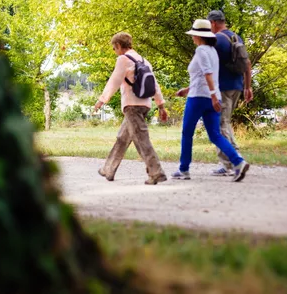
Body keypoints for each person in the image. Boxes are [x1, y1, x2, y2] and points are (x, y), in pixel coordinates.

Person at [171, 19, 249, 182]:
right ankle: (238, 162)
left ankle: (184, 169)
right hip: (209, 96)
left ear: (198, 36)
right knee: (215, 135)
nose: (192, 38)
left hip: (199, 98)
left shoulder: (200, 51)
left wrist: (213, 95)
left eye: (193, 35)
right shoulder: (212, 51)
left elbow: (207, 74)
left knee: (187, 133)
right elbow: (203, 75)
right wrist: (188, 89)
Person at [94, 32, 168, 185]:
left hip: (131, 105)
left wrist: (102, 100)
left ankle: (156, 172)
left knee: (142, 140)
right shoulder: (144, 60)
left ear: (119, 46)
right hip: (145, 104)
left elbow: (114, 81)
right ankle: (108, 169)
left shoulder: (123, 59)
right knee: (122, 138)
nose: (115, 52)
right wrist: (160, 105)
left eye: (115, 49)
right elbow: (154, 85)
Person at [207, 10, 253, 176]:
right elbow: (247, 63)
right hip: (237, 86)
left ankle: (235, 161)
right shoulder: (235, 37)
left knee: (221, 124)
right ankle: (230, 162)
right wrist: (248, 86)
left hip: (223, 88)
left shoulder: (217, 39)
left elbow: (207, 65)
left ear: (213, 23)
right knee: (224, 122)